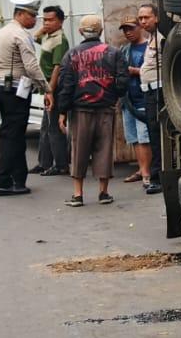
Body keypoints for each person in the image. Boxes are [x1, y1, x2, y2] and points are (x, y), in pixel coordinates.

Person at [54, 14, 128, 207]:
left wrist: (62, 111)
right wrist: (114, 96)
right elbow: (122, 81)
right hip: (106, 108)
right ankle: (103, 193)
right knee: (104, 149)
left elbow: (66, 85)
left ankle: (78, 195)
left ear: (80, 31)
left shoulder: (71, 54)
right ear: (100, 31)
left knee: (78, 151)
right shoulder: (114, 53)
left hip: (80, 110)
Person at [0, 0, 49, 197]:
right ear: (20, 14)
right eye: (32, 15)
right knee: (13, 137)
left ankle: (18, 179)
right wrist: (47, 88)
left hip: (1, 86)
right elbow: (31, 66)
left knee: (10, 134)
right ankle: (3, 182)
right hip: (15, 90)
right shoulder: (20, 35)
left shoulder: (2, 32)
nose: (35, 20)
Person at [35, 5, 71, 178]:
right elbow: (34, 38)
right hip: (48, 88)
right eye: (44, 20)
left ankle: (61, 165)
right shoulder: (48, 36)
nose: (46, 23)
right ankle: (44, 163)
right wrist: (43, 29)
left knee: (54, 128)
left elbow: (57, 68)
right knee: (45, 127)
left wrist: (50, 90)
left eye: (51, 20)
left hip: (54, 88)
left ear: (61, 21)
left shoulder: (60, 40)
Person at [134, 2, 165, 194]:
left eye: (147, 17)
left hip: (158, 92)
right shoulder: (151, 38)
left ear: (157, 18)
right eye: (140, 18)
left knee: (157, 135)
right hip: (149, 91)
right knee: (153, 134)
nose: (143, 21)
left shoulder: (161, 38)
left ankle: (158, 178)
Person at [118, 21, 154, 185]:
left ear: (139, 27)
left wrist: (135, 71)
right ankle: (142, 169)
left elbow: (153, 72)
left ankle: (147, 172)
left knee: (144, 137)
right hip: (128, 99)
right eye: (125, 30)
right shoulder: (124, 50)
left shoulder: (149, 47)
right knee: (134, 138)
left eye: (131, 29)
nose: (128, 32)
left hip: (144, 97)